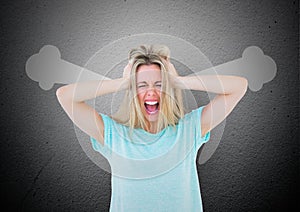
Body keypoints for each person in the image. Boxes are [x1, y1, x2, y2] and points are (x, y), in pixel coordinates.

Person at [56, 44, 248, 211]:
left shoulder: (190, 129)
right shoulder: (113, 133)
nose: (151, 92)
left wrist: (179, 81)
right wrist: (122, 83)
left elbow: (239, 86)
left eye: (159, 84)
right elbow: (65, 95)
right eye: (142, 86)